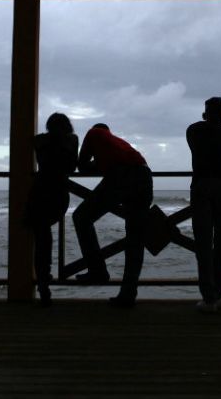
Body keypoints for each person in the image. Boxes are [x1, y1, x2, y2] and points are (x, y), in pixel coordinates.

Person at [73, 123, 153, 308]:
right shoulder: (118, 144)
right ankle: (128, 293)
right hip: (144, 175)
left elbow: (82, 165)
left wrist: (92, 164)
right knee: (135, 239)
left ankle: (97, 270)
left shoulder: (94, 133)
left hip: (122, 175)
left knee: (81, 217)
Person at [186, 97, 221, 313]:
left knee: (203, 242)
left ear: (205, 113)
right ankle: (219, 292)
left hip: (201, 184)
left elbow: (200, 136)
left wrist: (207, 118)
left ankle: (208, 297)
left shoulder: (193, 130)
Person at [25, 113, 79, 306]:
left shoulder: (38, 140)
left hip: (39, 191)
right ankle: (46, 279)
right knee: (46, 234)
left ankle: (42, 282)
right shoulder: (71, 140)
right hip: (58, 192)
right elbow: (72, 167)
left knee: (42, 239)